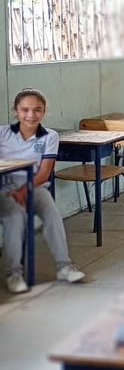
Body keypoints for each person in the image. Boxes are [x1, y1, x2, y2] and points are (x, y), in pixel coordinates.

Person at [0, 88, 84, 293]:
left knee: (52, 213)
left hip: (34, 185)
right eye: (25, 110)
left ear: (44, 111)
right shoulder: (2, 133)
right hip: (5, 187)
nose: (31, 115)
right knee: (15, 216)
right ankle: (14, 273)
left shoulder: (49, 136)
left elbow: (44, 173)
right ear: (16, 110)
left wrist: (23, 191)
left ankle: (64, 266)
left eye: (37, 110)